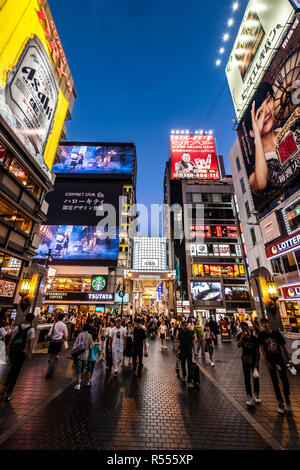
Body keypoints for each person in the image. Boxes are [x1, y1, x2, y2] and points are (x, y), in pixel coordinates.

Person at [246, 82, 282, 197]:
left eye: (269, 100)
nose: (266, 111)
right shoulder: (253, 175)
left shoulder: (290, 128)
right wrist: (257, 136)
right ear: (251, 132)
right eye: (259, 112)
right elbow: (261, 183)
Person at [258, 318, 292, 413]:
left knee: (285, 380)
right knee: (275, 382)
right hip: (271, 361)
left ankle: (287, 397)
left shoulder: (277, 334)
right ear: (261, 325)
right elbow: (262, 349)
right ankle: (280, 401)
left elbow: (283, 347)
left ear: (269, 323)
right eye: (263, 323)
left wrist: (288, 359)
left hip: (280, 360)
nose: (265, 325)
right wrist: (266, 362)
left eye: (266, 323)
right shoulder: (261, 335)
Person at [4, 313, 35, 401]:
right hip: (22, 353)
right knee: (16, 372)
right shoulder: (31, 330)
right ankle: (9, 392)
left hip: (13, 351)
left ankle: (6, 384)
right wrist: (29, 354)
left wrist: (8, 349)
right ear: (31, 320)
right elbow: (30, 343)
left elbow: (11, 339)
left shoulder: (17, 327)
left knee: (13, 368)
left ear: (25, 318)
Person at [237, 322, 261, 407]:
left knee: (256, 378)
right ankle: (249, 396)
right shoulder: (240, 335)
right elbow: (238, 345)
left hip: (254, 361)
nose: (244, 329)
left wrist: (257, 361)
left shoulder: (253, 337)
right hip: (245, 361)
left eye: (245, 328)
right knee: (247, 379)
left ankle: (256, 394)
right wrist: (242, 337)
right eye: (242, 328)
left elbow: (258, 350)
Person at [45, 312, 68, 379]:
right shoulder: (64, 325)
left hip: (52, 342)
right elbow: (66, 335)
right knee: (54, 357)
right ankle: (48, 373)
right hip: (58, 342)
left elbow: (49, 334)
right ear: (63, 318)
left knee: (51, 356)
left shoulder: (54, 324)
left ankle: (51, 368)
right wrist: (65, 340)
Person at [73, 323, 94, 390]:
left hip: (79, 354)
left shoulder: (80, 335)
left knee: (78, 368)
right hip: (86, 355)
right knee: (82, 368)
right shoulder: (90, 336)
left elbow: (75, 344)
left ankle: (78, 384)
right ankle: (79, 380)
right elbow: (91, 346)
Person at [177, 321, 195, 389]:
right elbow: (179, 342)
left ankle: (190, 381)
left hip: (189, 351)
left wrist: (194, 350)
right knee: (183, 364)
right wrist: (177, 350)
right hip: (182, 351)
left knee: (190, 366)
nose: (185, 326)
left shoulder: (190, 332)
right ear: (182, 326)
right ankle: (184, 375)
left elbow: (193, 341)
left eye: (186, 325)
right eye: (184, 325)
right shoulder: (180, 333)